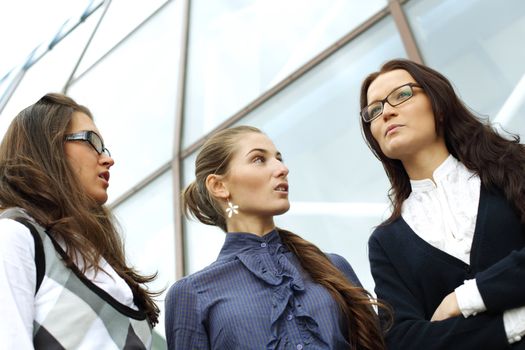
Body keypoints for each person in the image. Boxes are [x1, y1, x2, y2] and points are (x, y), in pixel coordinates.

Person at [164, 125, 386, 350]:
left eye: (279, 158)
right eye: (259, 159)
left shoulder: (333, 266)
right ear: (219, 186)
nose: (282, 168)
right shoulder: (192, 293)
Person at [359, 58, 525, 349]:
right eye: (374, 110)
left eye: (401, 95)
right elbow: (405, 341)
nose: (386, 112)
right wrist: (511, 324)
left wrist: (463, 299)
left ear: (438, 105)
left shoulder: (514, 168)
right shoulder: (386, 243)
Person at [0, 93, 159, 349]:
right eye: (92, 141)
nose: (108, 158)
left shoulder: (102, 260)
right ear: (46, 147)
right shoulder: (14, 236)